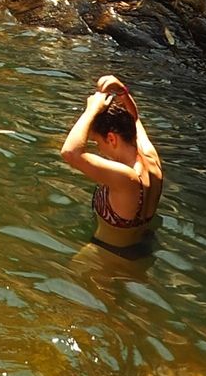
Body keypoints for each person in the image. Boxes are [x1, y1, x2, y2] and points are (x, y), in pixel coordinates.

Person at [61, 74, 164, 250]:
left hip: (106, 256)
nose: (99, 149)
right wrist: (122, 91)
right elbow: (135, 118)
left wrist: (91, 110)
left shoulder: (126, 178)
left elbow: (70, 153)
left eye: (98, 142)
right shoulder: (150, 157)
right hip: (141, 249)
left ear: (111, 138)